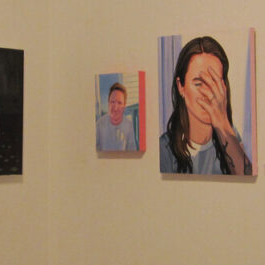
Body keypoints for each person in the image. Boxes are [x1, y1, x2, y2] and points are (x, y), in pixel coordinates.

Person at [159, 36, 251, 174]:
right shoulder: (165, 148)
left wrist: (221, 123)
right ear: (181, 87)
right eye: (198, 84)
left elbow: (246, 175)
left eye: (214, 83)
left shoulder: (229, 135)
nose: (208, 93)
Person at [96, 82, 138, 151]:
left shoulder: (129, 125)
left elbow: (132, 151)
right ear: (108, 103)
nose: (115, 108)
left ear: (124, 106)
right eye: (112, 102)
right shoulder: (100, 124)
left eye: (119, 103)